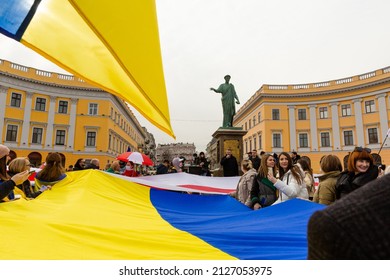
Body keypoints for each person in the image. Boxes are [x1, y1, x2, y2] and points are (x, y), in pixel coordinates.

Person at [307, 173, 390, 259]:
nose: (364, 164)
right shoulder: (342, 180)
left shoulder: (334, 223)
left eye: (366, 161)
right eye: (361, 161)